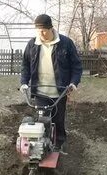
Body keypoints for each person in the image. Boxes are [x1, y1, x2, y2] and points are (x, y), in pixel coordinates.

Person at [20, 14, 82, 152]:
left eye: (44, 31)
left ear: (51, 29)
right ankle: (43, 147)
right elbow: (25, 65)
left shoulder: (65, 43)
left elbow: (77, 66)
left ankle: (59, 144)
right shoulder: (32, 44)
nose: (41, 34)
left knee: (58, 120)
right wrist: (24, 82)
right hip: (40, 91)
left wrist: (73, 83)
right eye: (38, 31)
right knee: (43, 121)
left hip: (59, 91)